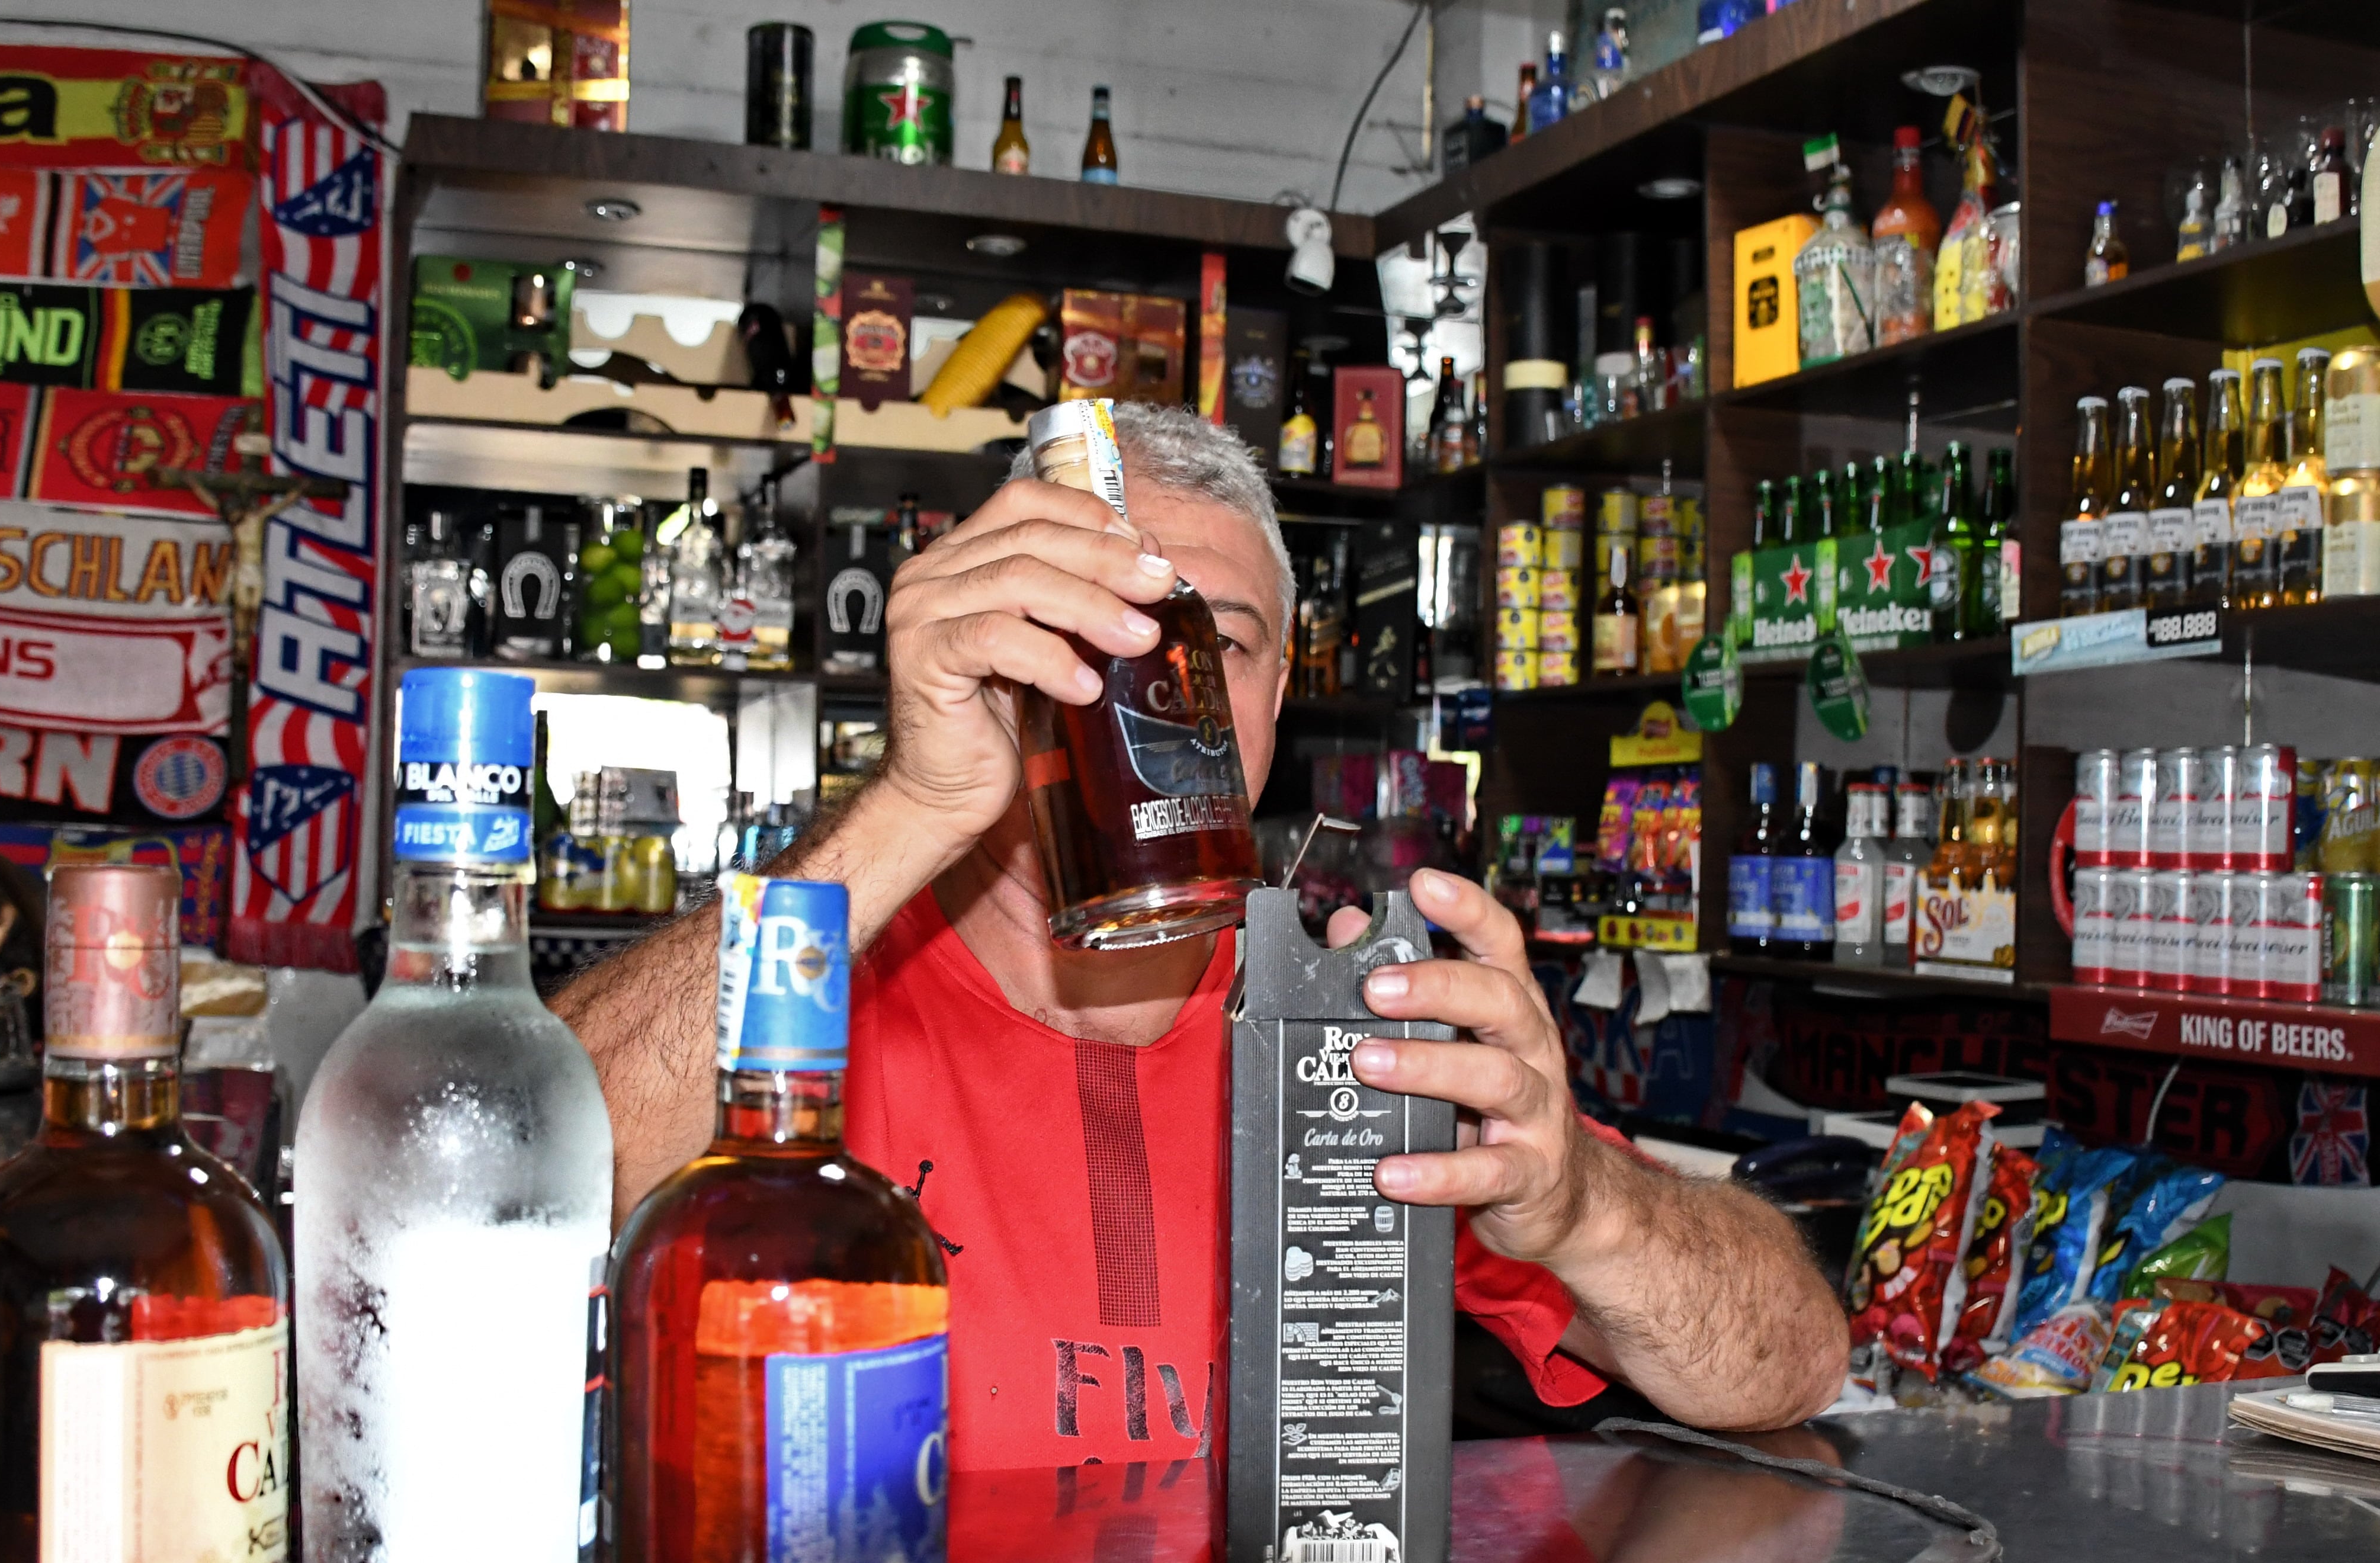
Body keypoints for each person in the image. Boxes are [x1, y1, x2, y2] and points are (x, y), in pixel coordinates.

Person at [554, 405, 1846, 1467]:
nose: (1151, 684)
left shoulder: (1357, 1033)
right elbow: (522, 1180)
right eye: (1085, 627)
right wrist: (917, 802)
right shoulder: (830, 982)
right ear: (987, 650)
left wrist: (1579, 1206)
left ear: (1277, 695)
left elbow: (1789, 1360)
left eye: (1212, 641)